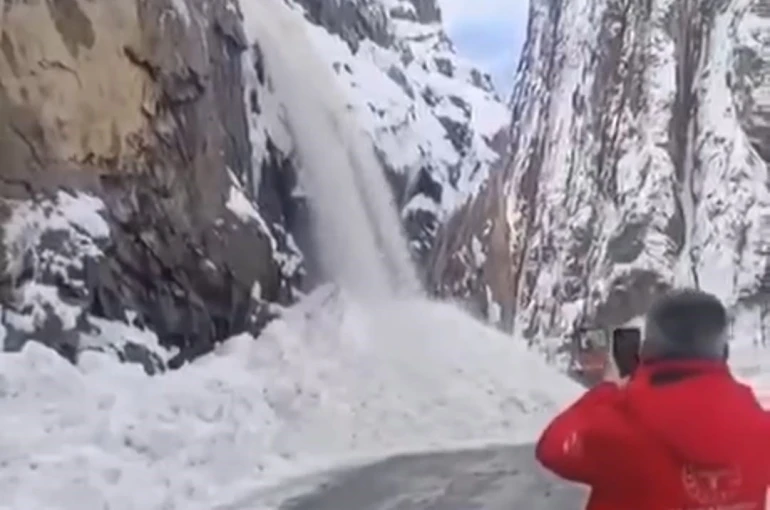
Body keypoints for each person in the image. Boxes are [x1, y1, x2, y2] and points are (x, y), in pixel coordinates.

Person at [535, 289, 770, 510]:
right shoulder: (763, 428)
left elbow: (553, 449)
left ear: (645, 350)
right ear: (725, 352)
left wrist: (607, 389)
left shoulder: (614, 425)